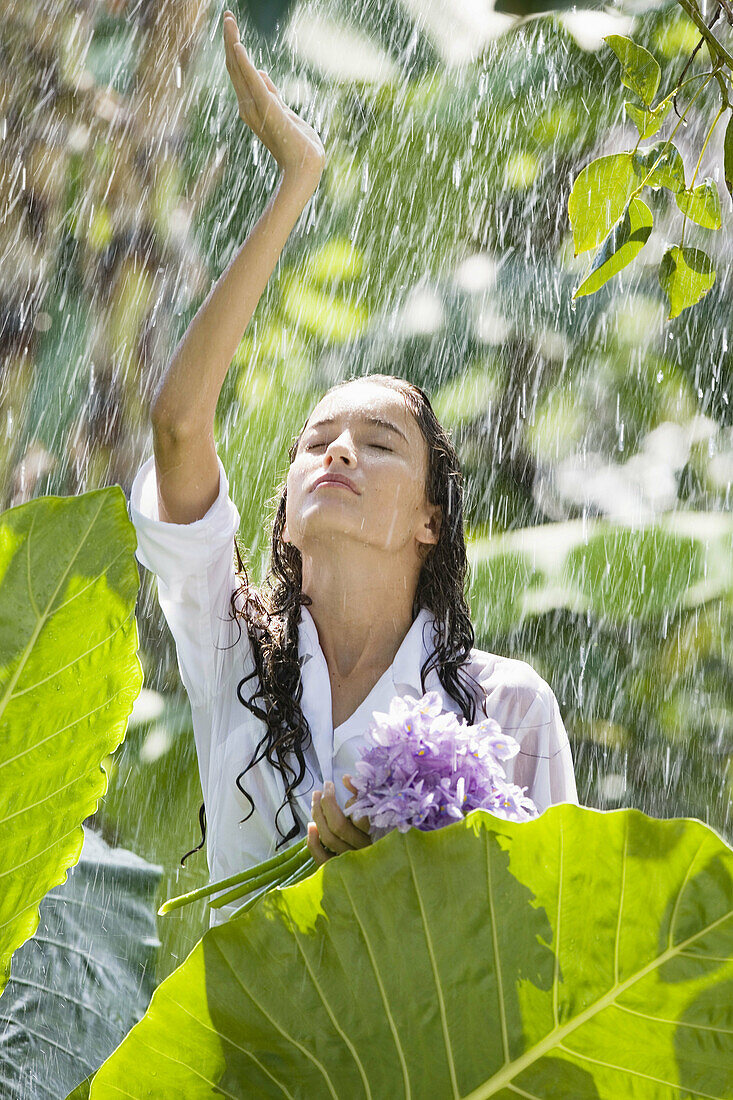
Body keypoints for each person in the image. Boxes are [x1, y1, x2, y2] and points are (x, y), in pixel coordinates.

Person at [129, 11, 578, 927]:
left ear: (430, 520)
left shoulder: (506, 707)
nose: (337, 451)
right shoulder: (231, 653)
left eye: (379, 443)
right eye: (314, 442)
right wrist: (297, 181)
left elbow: (549, 937)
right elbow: (179, 426)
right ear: (286, 511)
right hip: (248, 1066)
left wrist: (397, 872)